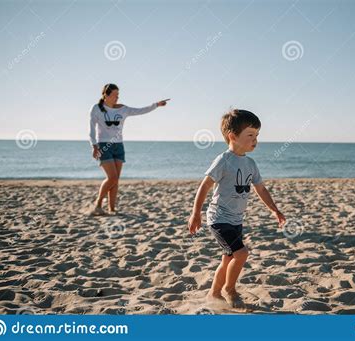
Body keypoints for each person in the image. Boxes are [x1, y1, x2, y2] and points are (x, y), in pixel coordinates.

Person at [188, 109, 286, 307]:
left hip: (236, 220)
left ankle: (214, 293)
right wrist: (195, 213)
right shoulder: (223, 160)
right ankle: (229, 289)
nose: (255, 139)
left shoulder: (251, 163)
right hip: (219, 218)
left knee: (228, 259)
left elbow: (261, 189)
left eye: (257, 135)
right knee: (241, 254)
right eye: (250, 135)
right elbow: (205, 185)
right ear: (233, 136)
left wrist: (274, 209)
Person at [88, 83, 169, 215]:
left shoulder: (123, 109)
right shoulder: (96, 108)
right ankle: (98, 204)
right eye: (114, 95)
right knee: (112, 178)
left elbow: (140, 110)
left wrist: (156, 105)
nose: (117, 98)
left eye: (118, 95)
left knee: (116, 180)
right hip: (103, 145)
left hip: (119, 146)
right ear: (106, 95)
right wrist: (94, 145)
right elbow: (91, 129)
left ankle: (112, 209)